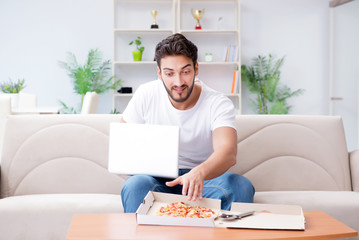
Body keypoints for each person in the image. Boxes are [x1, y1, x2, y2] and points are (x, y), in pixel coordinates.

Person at [120, 33, 255, 213]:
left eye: (185, 72)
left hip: (204, 180)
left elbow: (228, 152)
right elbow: (124, 143)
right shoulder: (146, 94)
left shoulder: (217, 102)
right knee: (135, 184)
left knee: (240, 186)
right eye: (169, 73)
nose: (178, 82)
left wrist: (199, 172)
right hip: (158, 180)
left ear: (196, 69)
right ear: (159, 73)